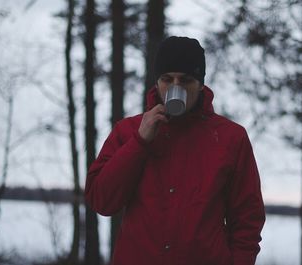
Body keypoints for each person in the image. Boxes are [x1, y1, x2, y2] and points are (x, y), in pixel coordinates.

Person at [85, 36, 265, 265]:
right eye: (167, 79)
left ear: (201, 84)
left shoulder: (230, 138)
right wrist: (139, 142)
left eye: (186, 80)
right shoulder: (129, 131)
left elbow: (247, 220)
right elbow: (102, 200)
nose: (175, 87)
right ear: (157, 82)